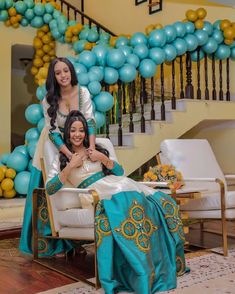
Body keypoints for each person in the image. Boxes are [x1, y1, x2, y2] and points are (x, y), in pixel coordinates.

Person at [46, 110, 188, 294]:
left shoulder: (96, 149)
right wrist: (70, 167)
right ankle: (139, 271)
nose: (77, 134)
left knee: (162, 201)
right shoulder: (62, 158)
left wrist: (103, 158)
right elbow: (50, 188)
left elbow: (120, 173)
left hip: (118, 184)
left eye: (81, 130)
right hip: (94, 193)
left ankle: (158, 263)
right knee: (129, 203)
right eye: (73, 130)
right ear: (67, 133)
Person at [20, 57, 96, 257]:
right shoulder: (48, 99)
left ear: (71, 71)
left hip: (78, 140)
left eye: (66, 71)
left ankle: (76, 240)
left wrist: (91, 149)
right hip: (55, 145)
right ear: (53, 77)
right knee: (53, 189)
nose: (63, 75)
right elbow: (53, 132)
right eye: (58, 72)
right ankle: (54, 244)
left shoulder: (83, 93)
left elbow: (90, 122)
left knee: (78, 189)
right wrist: (70, 156)